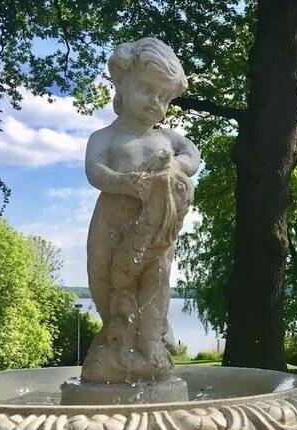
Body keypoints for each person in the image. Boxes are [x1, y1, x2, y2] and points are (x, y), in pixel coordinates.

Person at [82, 38, 199, 383]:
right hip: (111, 222)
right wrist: (123, 182)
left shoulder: (167, 139)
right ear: (121, 84)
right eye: (148, 90)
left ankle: (150, 342)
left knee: (156, 279)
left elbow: (192, 157)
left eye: (164, 97)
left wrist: (174, 166)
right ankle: (116, 335)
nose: (155, 103)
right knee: (102, 277)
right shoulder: (104, 137)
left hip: (158, 227)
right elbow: (94, 171)